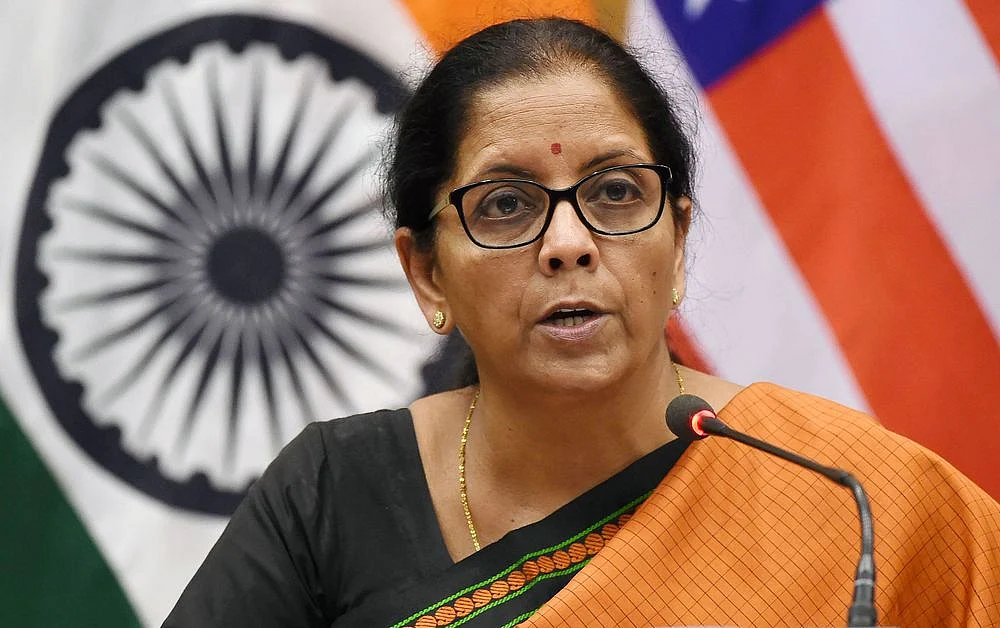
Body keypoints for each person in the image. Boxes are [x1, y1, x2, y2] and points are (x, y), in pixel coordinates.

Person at [163, 17, 1000, 628]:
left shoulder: (844, 494)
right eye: (505, 204)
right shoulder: (333, 496)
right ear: (426, 272)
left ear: (677, 242)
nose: (569, 244)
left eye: (615, 192)